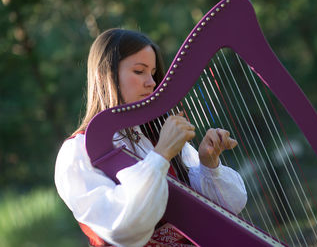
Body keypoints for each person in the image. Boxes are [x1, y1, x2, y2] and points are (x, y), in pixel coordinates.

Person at [54, 28, 247, 247]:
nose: (152, 83)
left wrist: (209, 164)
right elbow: (122, 229)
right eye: (139, 71)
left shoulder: (155, 133)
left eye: (153, 73)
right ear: (103, 75)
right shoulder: (76, 152)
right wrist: (161, 154)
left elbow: (231, 206)